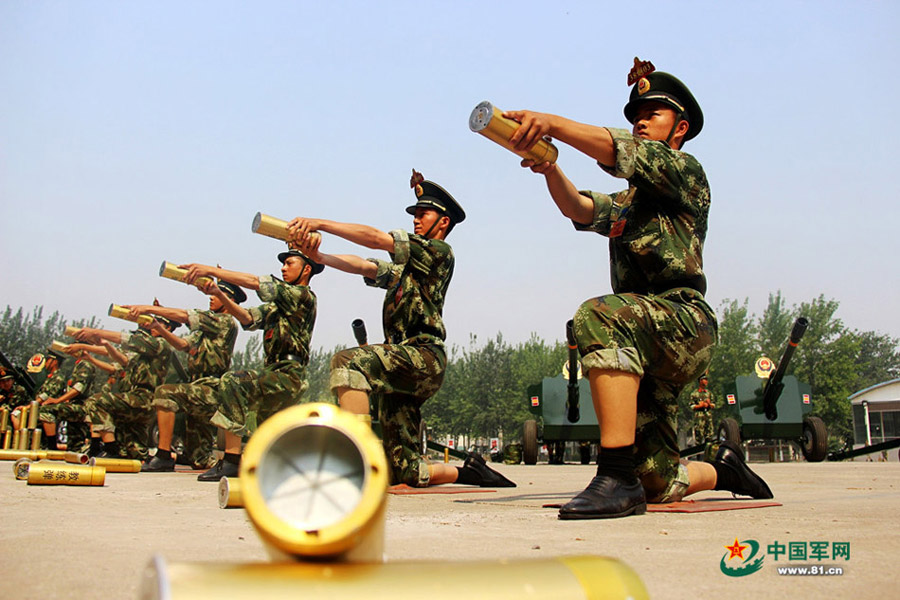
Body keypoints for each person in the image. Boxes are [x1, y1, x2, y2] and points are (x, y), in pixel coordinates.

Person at [506, 64, 770, 519]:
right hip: (641, 338)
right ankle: (720, 468)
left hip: (682, 322)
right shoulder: (630, 204)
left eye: (653, 113)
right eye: (636, 115)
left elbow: (619, 149)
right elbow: (582, 209)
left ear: (680, 129)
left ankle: (614, 477)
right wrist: (551, 168)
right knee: (659, 480)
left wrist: (551, 123)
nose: (641, 121)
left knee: (597, 314)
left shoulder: (685, 171)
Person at [288, 170, 515, 488]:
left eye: (424, 214)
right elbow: (364, 265)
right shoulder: (405, 269)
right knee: (404, 472)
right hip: (402, 365)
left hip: (423, 356)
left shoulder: (437, 253)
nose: (416, 219)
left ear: (443, 222)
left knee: (348, 361)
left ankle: (357, 464)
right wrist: (319, 256)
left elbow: (377, 239)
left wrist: (320, 223)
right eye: (415, 214)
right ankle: (470, 471)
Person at [178, 249, 319, 481]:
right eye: (283, 264)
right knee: (270, 441)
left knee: (233, 382)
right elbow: (247, 318)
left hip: (289, 373)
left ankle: (232, 460)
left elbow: (255, 282)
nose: (283, 268)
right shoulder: (278, 306)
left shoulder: (302, 296)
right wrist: (218, 293)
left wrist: (211, 270)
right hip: (274, 372)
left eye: (289, 263)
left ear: (306, 269)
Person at [123, 283, 244, 473]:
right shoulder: (206, 330)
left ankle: (163, 456)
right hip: (197, 386)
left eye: (219, 295)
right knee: (199, 459)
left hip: (211, 386)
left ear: (230, 300)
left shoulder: (224, 321)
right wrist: (158, 327)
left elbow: (186, 315)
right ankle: (219, 461)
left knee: (165, 393)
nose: (211, 297)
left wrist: (147, 309)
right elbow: (182, 345)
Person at [74, 317, 178, 459]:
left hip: (144, 398)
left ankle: (111, 450)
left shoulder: (162, 344)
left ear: (169, 328)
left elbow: (129, 341)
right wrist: (103, 344)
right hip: (133, 398)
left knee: (96, 401)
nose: (154, 326)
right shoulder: (145, 351)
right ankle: (117, 451)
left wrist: (96, 333)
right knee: (135, 454)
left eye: (160, 323)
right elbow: (123, 359)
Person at [38, 346, 98, 451]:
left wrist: (58, 400)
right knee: (75, 448)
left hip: (82, 406)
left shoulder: (85, 365)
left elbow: (78, 389)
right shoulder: (79, 365)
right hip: (75, 405)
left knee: (46, 410)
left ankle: (52, 448)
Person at [690, 374, 716, 446]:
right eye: (705, 379)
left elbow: (713, 405)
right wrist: (700, 405)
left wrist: (709, 404)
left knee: (709, 437)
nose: (706, 381)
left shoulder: (709, 393)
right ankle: (698, 456)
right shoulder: (694, 394)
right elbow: (692, 406)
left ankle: (709, 455)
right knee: (699, 437)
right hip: (699, 417)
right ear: (700, 381)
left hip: (708, 416)